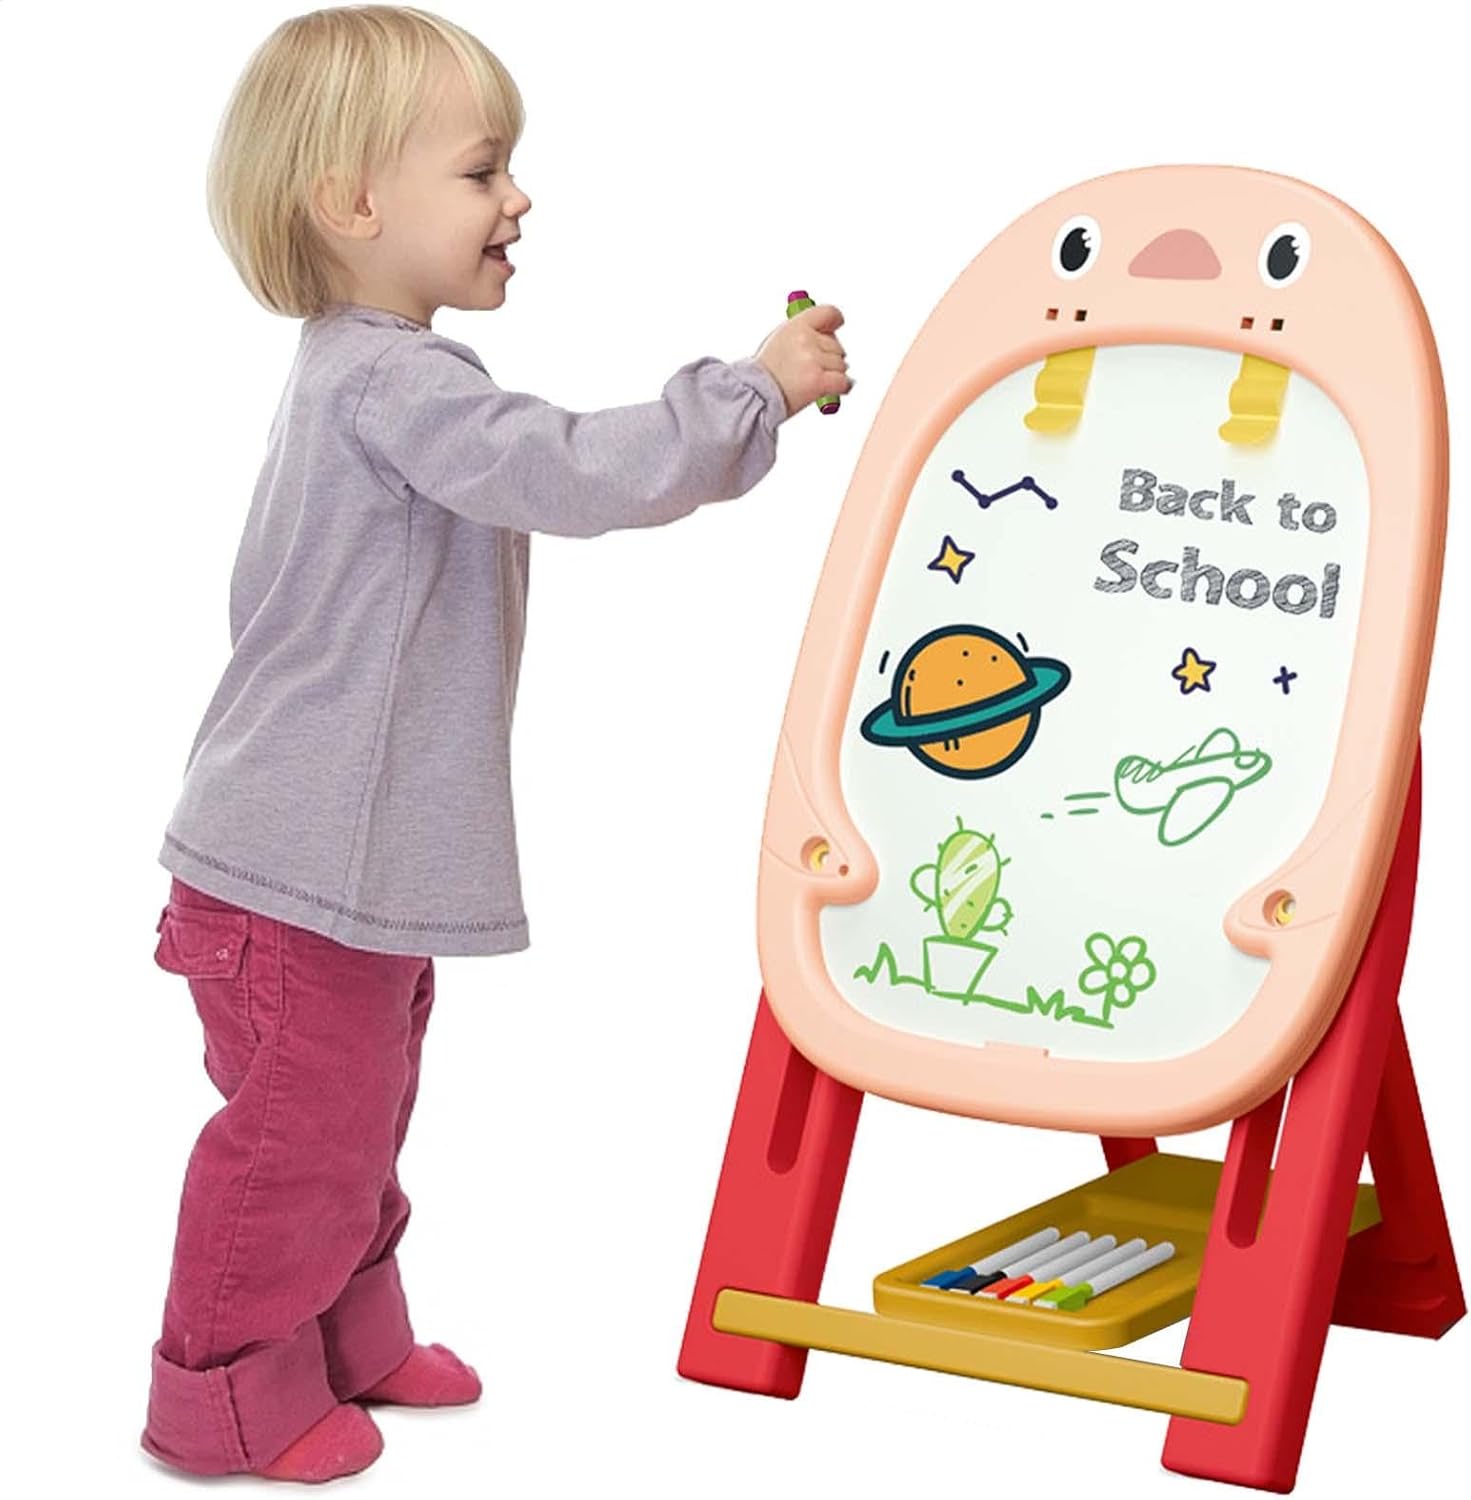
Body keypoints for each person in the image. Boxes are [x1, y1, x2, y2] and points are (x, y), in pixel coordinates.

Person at [143, 4, 850, 1483]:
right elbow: (575, 470)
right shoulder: (396, 386)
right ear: (353, 203)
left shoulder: (363, 374)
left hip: (330, 866)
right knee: (301, 1138)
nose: (518, 199)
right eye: (482, 172)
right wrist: (753, 391)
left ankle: (344, 1333)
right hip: (299, 872)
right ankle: (219, 1394)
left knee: (355, 1117)